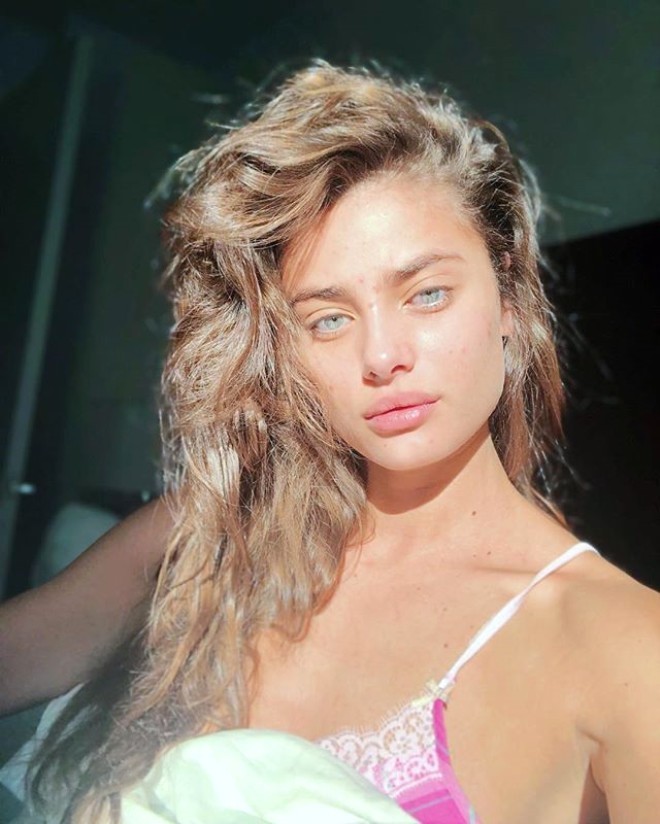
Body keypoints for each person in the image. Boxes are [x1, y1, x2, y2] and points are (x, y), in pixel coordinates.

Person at [3, 60, 660, 823]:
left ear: (508, 296)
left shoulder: (621, 648)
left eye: (428, 294)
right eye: (329, 319)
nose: (381, 356)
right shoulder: (211, 537)